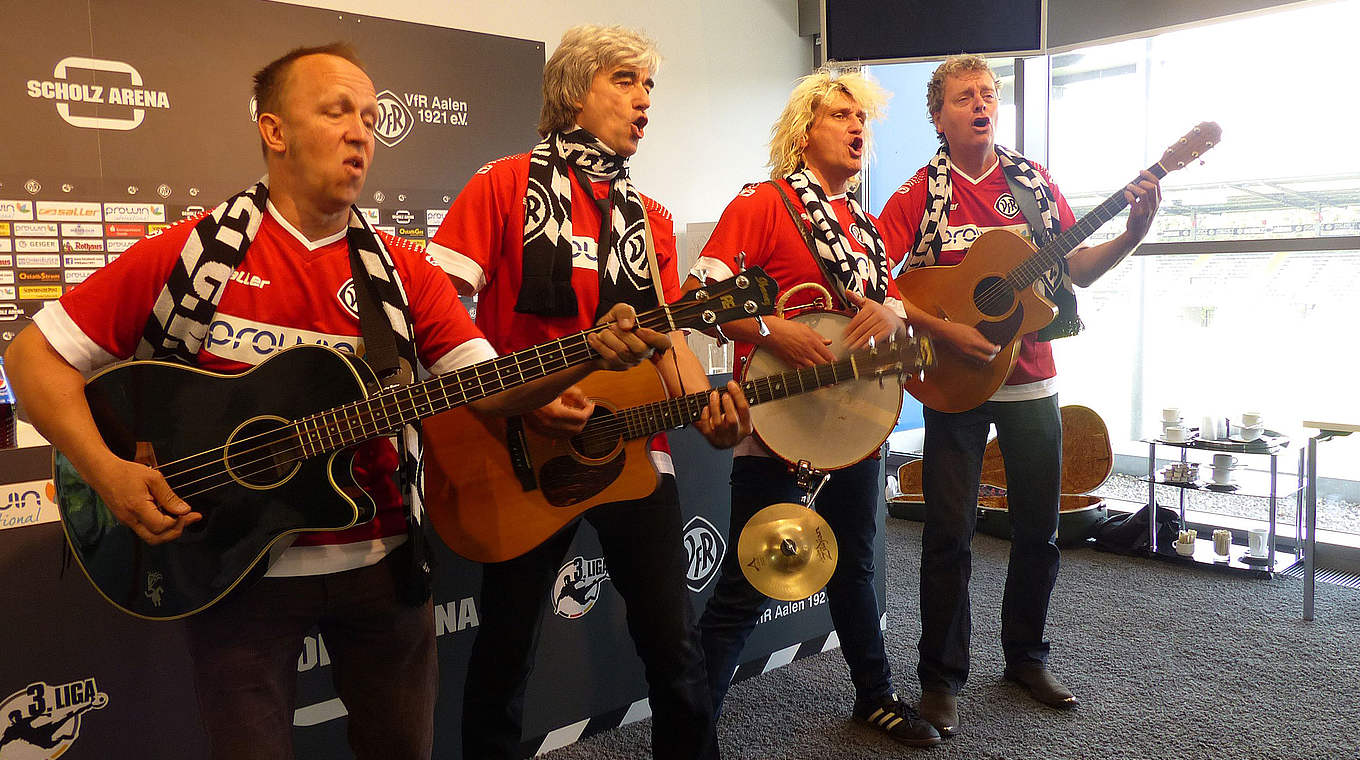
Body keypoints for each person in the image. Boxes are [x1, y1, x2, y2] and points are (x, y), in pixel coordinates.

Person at [3, 43, 666, 759]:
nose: (361, 132)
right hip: (233, 574)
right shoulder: (191, 254)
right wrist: (106, 471)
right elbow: (32, 357)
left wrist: (579, 358)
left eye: (372, 118)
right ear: (274, 129)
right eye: (337, 111)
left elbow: (496, 390)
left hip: (383, 568)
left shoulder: (405, 273)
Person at [426, 25, 750, 760]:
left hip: (635, 452)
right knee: (505, 653)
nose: (645, 102)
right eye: (626, 82)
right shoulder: (501, 184)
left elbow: (668, 343)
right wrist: (525, 399)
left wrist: (713, 416)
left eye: (650, 88)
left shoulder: (654, 219)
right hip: (519, 455)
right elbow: (438, 315)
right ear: (575, 91)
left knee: (675, 648)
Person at [876, 54, 1161, 736]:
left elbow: (1078, 269)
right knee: (948, 533)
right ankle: (941, 678)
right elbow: (876, 282)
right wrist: (943, 326)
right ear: (938, 115)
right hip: (952, 377)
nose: (980, 103)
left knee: (1040, 528)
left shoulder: (1032, 187)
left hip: (1032, 373)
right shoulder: (917, 196)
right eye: (964, 96)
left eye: (987, 94)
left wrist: (1133, 230)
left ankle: (1026, 657)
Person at [684, 69, 942, 748]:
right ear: (804, 133)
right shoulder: (762, 203)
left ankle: (875, 696)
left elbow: (886, 326)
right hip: (778, 429)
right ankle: (690, 737)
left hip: (853, 428)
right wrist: (771, 328)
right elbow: (698, 299)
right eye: (842, 115)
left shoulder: (863, 227)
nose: (860, 128)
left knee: (854, 565)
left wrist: (891, 316)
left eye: (865, 119)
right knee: (747, 587)